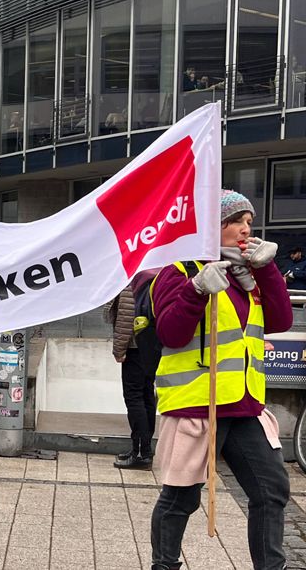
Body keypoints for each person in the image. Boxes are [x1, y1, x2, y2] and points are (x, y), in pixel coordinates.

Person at [149, 190, 292, 570]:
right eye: (238, 221)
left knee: (272, 491)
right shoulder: (177, 271)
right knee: (181, 499)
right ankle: (164, 565)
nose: (248, 229)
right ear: (215, 226)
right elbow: (171, 333)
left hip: (245, 406)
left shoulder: (248, 275)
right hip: (198, 404)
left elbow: (280, 321)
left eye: (249, 221)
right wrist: (196, 290)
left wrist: (267, 269)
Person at [108, 270, 160, 470]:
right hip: (151, 346)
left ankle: (141, 453)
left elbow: (125, 318)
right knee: (146, 396)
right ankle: (142, 449)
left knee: (134, 398)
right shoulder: (153, 274)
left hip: (135, 348)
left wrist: (119, 349)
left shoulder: (133, 277)